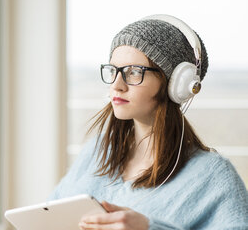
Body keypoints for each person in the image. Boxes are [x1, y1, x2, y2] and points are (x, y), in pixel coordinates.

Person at [48, 15, 248, 229]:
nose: (117, 85)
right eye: (113, 70)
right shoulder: (97, 151)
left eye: (134, 72)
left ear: (175, 84)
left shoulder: (213, 176)